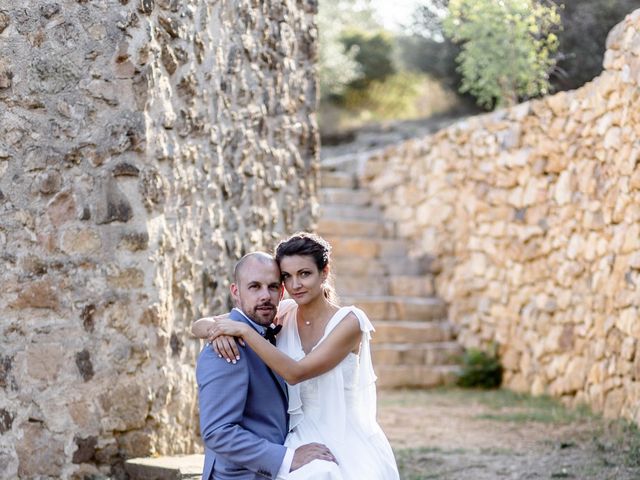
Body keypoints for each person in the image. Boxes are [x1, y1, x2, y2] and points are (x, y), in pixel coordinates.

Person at [193, 233, 399, 480]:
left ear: (324, 272)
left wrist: (243, 331)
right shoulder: (285, 314)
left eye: (305, 273)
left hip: (344, 433)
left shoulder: (350, 322)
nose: (296, 285)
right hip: (299, 435)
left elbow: (296, 373)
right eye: (287, 277)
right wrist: (215, 332)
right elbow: (201, 325)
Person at [195, 251, 337, 480]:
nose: (265, 296)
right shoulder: (225, 348)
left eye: (272, 287)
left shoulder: (276, 327)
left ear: (282, 292)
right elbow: (218, 433)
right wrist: (288, 458)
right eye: (254, 287)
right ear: (236, 292)